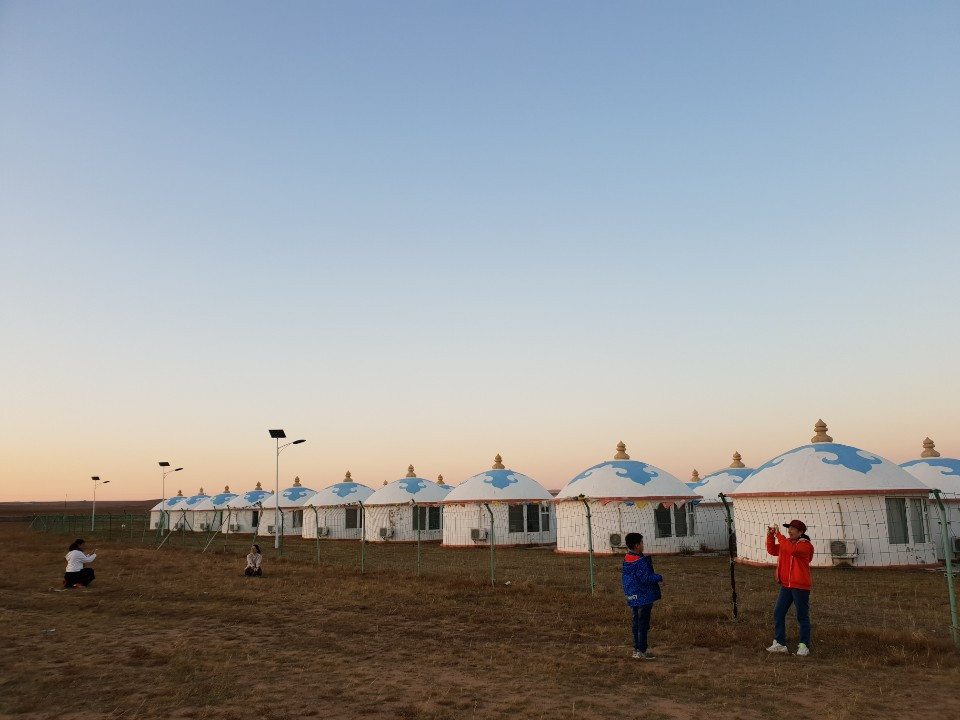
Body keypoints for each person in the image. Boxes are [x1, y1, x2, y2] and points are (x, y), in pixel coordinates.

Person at [766, 519, 814, 656]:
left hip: (800, 586)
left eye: (793, 528)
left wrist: (778, 535)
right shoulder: (786, 543)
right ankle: (780, 643)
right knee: (778, 612)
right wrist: (770, 537)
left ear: (801, 532)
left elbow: (792, 551)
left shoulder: (805, 545)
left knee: (802, 616)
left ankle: (804, 645)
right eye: (789, 528)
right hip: (786, 585)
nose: (789, 530)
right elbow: (772, 550)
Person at [621, 532, 663, 660]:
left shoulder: (627, 559)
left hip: (632, 596)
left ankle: (636, 650)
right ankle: (642, 651)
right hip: (643, 597)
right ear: (636, 545)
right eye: (642, 543)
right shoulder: (640, 561)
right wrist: (659, 577)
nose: (643, 545)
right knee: (643, 624)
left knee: (636, 624)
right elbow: (645, 578)